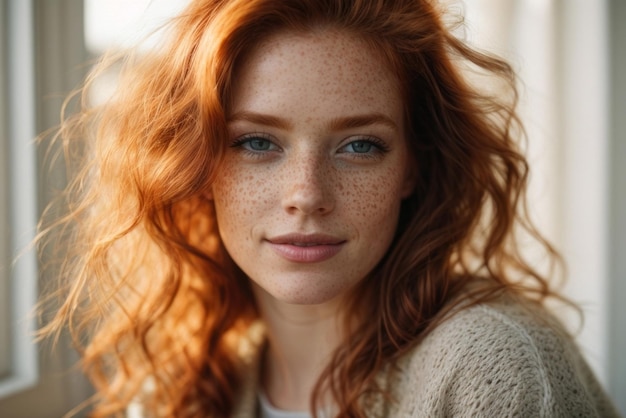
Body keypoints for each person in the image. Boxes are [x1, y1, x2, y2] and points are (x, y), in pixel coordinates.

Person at [38, 0, 621, 417]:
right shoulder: (202, 381)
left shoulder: (495, 369)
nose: (308, 195)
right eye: (257, 142)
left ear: (413, 167)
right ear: (199, 166)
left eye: (360, 145)